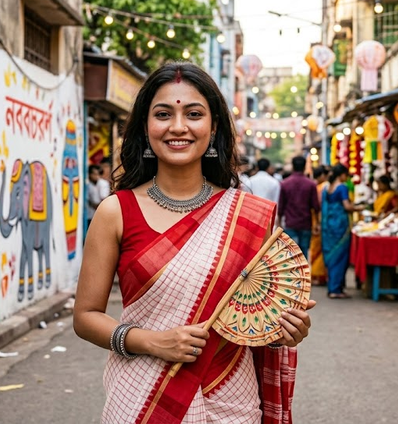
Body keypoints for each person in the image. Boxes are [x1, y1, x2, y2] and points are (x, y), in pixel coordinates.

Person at [73, 62, 314, 424]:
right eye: (163, 114)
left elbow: (255, 317)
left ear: (213, 126)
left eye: (194, 114)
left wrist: (283, 332)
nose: (178, 126)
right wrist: (151, 341)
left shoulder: (246, 215)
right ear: (145, 126)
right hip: (142, 399)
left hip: (231, 398)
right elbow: (85, 317)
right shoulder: (116, 212)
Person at [322, 164, 365, 299]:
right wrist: (360, 208)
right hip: (340, 226)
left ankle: (333, 286)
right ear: (342, 175)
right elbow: (347, 206)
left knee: (331, 256)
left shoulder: (326, 188)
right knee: (340, 256)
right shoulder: (342, 187)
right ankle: (336, 289)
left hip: (328, 225)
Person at [278, 156, 319, 259]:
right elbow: (315, 206)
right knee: (303, 254)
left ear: (293, 166)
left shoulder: (284, 184)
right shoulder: (311, 184)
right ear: (305, 166)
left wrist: (279, 224)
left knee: (291, 255)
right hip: (306, 224)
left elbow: (281, 206)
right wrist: (317, 223)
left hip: (290, 223)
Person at [309, 166, 329, 286]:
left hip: (313, 221)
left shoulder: (314, 187)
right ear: (322, 175)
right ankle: (319, 275)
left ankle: (316, 275)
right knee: (319, 249)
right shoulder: (323, 187)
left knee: (314, 249)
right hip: (319, 221)